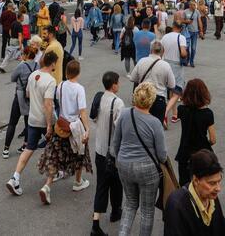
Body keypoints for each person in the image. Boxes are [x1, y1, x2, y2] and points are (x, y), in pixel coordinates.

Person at [112, 82, 167, 236]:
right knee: (147, 211)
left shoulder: (124, 114)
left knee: (129, 204)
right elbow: (162, 155)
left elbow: (116, 142)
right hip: (147, 169)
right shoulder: (155, 123)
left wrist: (119, 160)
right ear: (151, 100)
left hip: (124, 164)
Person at [38, 59, 92, 205]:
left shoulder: (61, 85)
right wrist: (87, 128)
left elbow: (57, 102)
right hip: (74, 126)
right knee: (80, 152)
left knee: (56, 156)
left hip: (61, 126)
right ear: (78, 72)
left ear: (67, 72)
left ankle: (47, 185)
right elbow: (82, 112)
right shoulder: (79, 89)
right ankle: (78, 181)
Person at [6, 50, 58, 198]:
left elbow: (28, 94)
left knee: (29, 148)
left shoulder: (33, 75)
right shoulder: (50, 80)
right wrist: (49, 125)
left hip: (32, 118)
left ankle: (15, 177)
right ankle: (48, 183)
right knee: (53, 149)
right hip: (44, 119)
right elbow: (48, 104)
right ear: (53, 63)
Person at [163, 149, 225, 235]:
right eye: (212, 183)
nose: (218, 188)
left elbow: (223, 227)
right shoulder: (177, 205)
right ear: (196, 180)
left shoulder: (211, 196)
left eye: (219, 181)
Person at [91, 71, 124, 236]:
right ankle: (116, 211)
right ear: (114, 84)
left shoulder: (99, 97)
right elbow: (120, 128)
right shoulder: (118, 103)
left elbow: (94, 118)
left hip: (99, 149)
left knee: (101, 185)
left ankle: (96, 222)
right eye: (118, 82)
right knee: (116, 183)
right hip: (113, 151)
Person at [176, 78, 216, 185]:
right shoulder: (208, 113)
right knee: (204, 184)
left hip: (184, 152)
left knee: (185, 184)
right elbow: (213, 139)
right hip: (202, 152)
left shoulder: (182, 110)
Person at [128, 40, 176, 125]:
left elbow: (132, 78)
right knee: (156, 127)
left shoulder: (142, 61)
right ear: (162, 51)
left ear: (150, 50)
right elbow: (172, 85)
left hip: (143, 97)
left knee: (141, 125)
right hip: (159, 99)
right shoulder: (165, 65)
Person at [3, 47, 37, 159]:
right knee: (28, 122)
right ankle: (26, 144)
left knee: (12, 123)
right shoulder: (38, 66)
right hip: (32, 97)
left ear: (26, 55)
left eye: (23, 54)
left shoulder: (21, 66)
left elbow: (12, 78)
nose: (21, 55)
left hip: (19, 96)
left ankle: (6, 149)